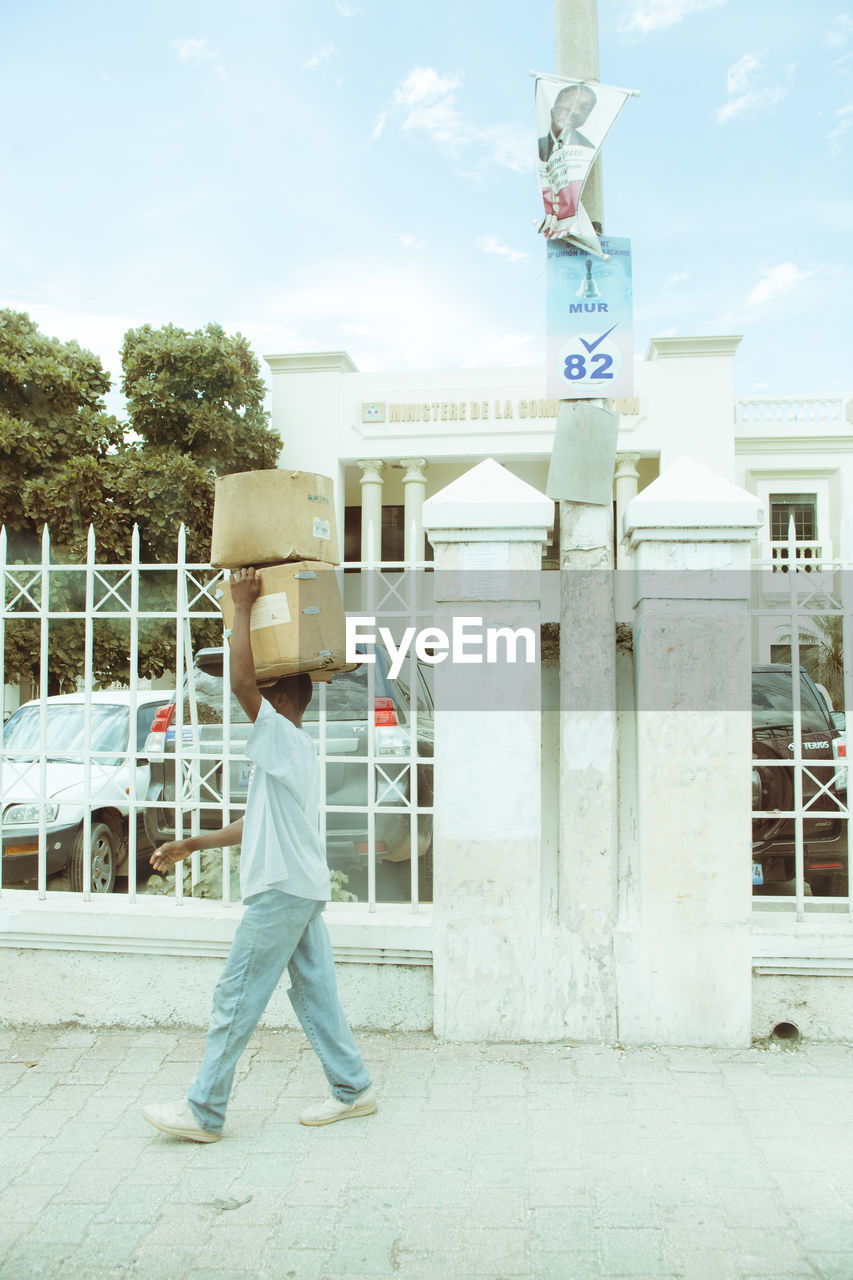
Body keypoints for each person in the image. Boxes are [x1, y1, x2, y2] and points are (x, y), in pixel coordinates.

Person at [141, 566, 376, 1142]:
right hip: (300, 887)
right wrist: (196, 842)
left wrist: (242, 607)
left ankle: (204, 1111)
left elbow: (242, 685)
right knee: (316, 993)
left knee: (235, 994)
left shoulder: (281, 734)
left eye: (268, 687)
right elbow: (260, 822)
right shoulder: (292, 749)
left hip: (280, 892)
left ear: (280, 696)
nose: (259, 692)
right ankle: (353, 1089)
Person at [538, 83, 597, 159]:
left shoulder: (588, 148)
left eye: (584, 108)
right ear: (553, 110)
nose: (576, 111)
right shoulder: (536, 144)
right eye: (571, 104)